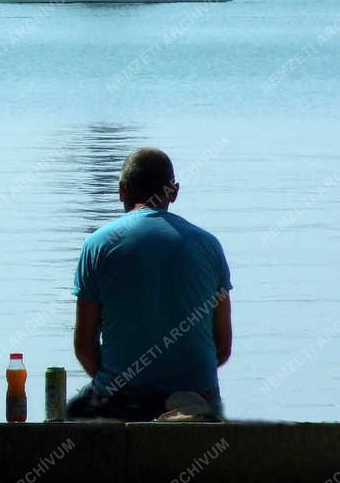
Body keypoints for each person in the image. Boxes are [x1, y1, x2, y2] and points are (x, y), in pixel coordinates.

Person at [68, 148, 232, 421]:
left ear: (122, 191)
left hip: (122, 401)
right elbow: (223, 347)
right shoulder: (209, 246)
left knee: (76, 410)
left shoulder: (97, 245)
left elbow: (84, 346)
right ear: (174, 191)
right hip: (197, 398)